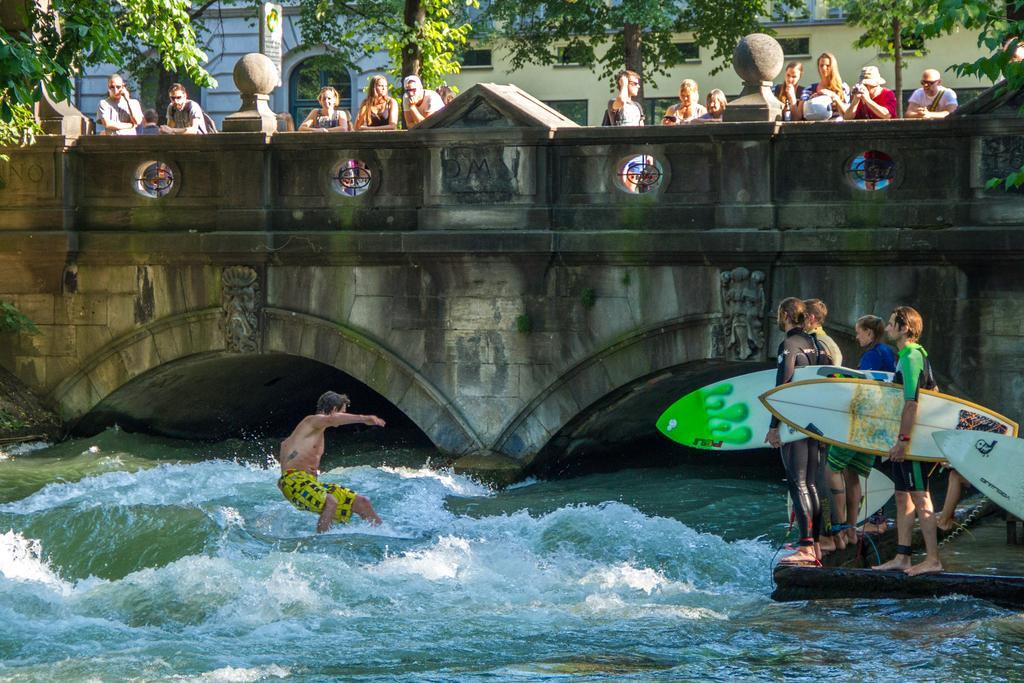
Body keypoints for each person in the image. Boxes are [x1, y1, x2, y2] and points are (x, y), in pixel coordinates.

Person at [872, 306, 943, 576]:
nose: (888, 328)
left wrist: (903, 441)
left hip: (912, 442)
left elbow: (912, 402)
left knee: (921, 498)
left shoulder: (912, 356)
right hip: (905, 439)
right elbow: (936, 392)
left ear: (904, 328)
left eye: (892, 324)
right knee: (902, 497)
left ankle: (933, 559)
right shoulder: (906, 356)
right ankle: (903, 557)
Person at [825, 315, 898, 546]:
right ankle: (854, 529)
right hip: (878, 426)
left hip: (860, 426)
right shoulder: (888, 352)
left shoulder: (871, 356)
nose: (856, 337)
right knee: (852, 473)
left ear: (869, 332)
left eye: (858, 332)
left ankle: (841, 529)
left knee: (831, 469)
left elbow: (861, 389)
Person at [765, 298, 826, 566]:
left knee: (797, 482)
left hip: (795, 421)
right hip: (816, 422)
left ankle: (805, 547)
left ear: (788, 315)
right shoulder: (817, 345)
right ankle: (817, 544)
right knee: (812, 483)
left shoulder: (789, 345)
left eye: (780, 313)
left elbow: (782, 386)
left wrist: (773, 427)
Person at [277, 391, 385, 532]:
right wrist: (364, 418)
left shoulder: (314, 432)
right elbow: (331, 419)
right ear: (334, 410)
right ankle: (321, 542)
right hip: (294, 482)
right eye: (343, 412)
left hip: (309, 483)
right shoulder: (311, 421)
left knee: (362, 502)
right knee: (331, 501)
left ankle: (384, 535)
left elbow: (285, 446)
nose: (342, 419)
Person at [798, 52, 849, 121]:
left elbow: (848, 114)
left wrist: (835, 97)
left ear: (833, 67)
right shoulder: (809, 89)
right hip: (816, 128)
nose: (824, 68)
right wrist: (811, 101)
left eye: (827, 65)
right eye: (821, 65)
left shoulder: (842, 87)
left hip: (838, 127)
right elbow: (798, 116)